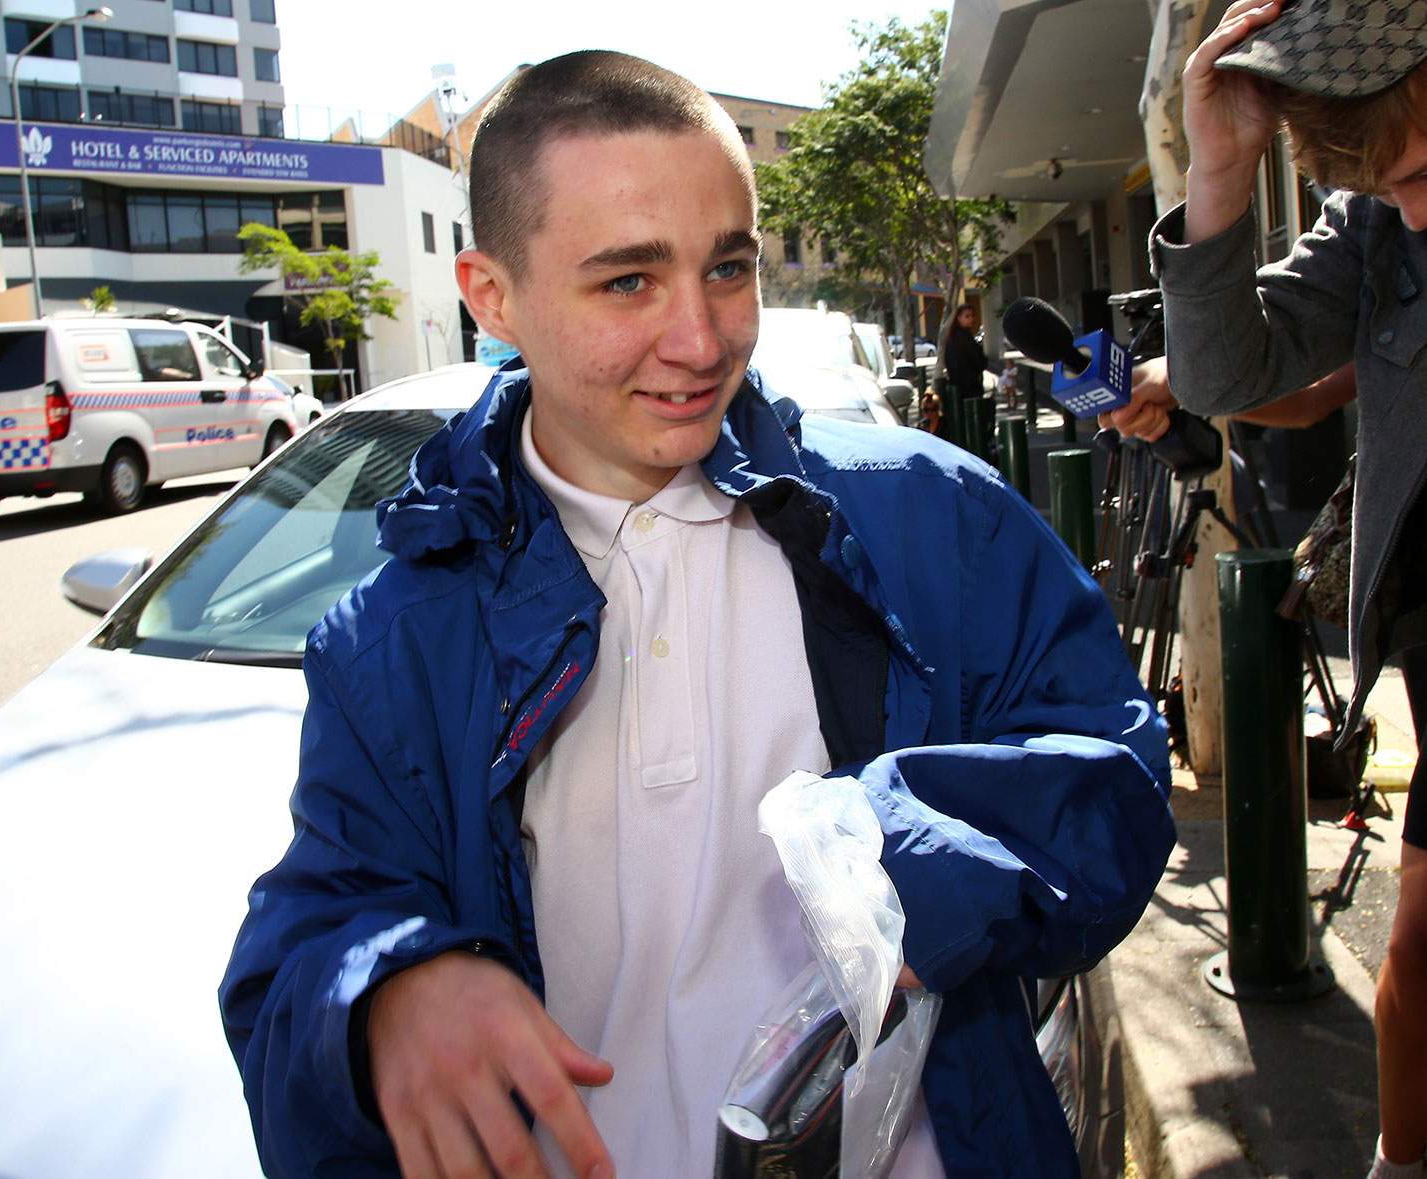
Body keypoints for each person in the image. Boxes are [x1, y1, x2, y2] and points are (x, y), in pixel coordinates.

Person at [220, 50, 1175, 1179]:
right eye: (629, 281)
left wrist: (918, 856)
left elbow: (1114, 773)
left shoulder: (934, 516)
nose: (702, 339)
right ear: (492, 296)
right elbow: (307, 945)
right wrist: (385, 994)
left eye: (728, 268)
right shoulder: (393, 644)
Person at [1099, 3, 1427, 1173]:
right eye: (1385, 189)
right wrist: (1221, 172)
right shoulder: (1379, 225)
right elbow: (1240, 372)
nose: (1409, 210)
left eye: (1419, 176)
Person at [942, 303, 988, 398]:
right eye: (967, 316)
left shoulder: (957, 336)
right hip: (968, 387)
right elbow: (977, 360)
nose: (971, 319)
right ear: (959, 318)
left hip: (963, 385)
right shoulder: (961, 337)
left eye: (972, 316)